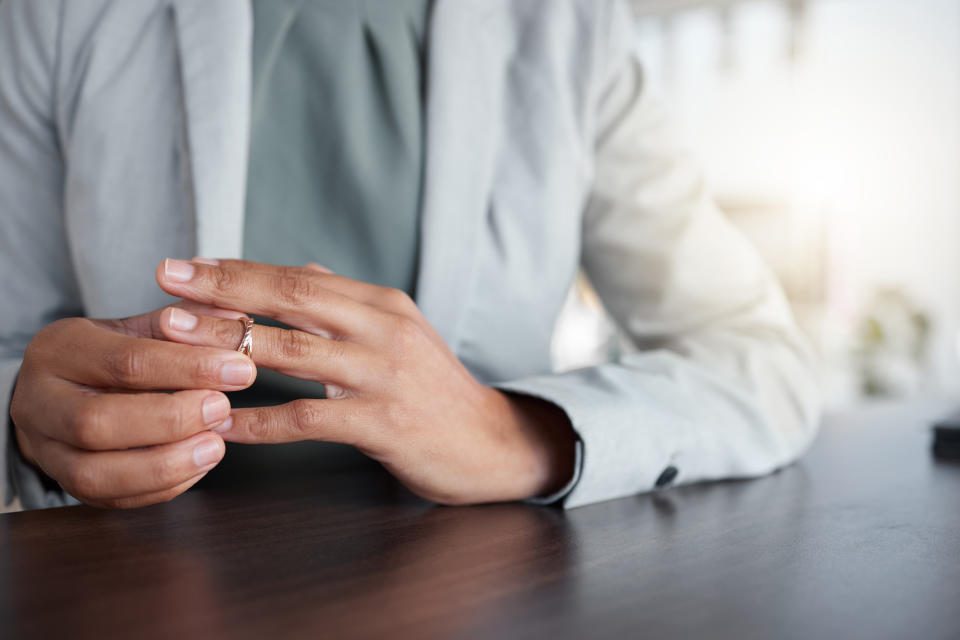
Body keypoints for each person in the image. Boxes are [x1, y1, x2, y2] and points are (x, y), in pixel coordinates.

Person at [0, 0, 820, 511]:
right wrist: (25, 418)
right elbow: (14, 354)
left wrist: (517, 435)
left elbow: (763, 365)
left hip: (477, 586)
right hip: (135, 582)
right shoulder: (53, 13)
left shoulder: (573, 25)